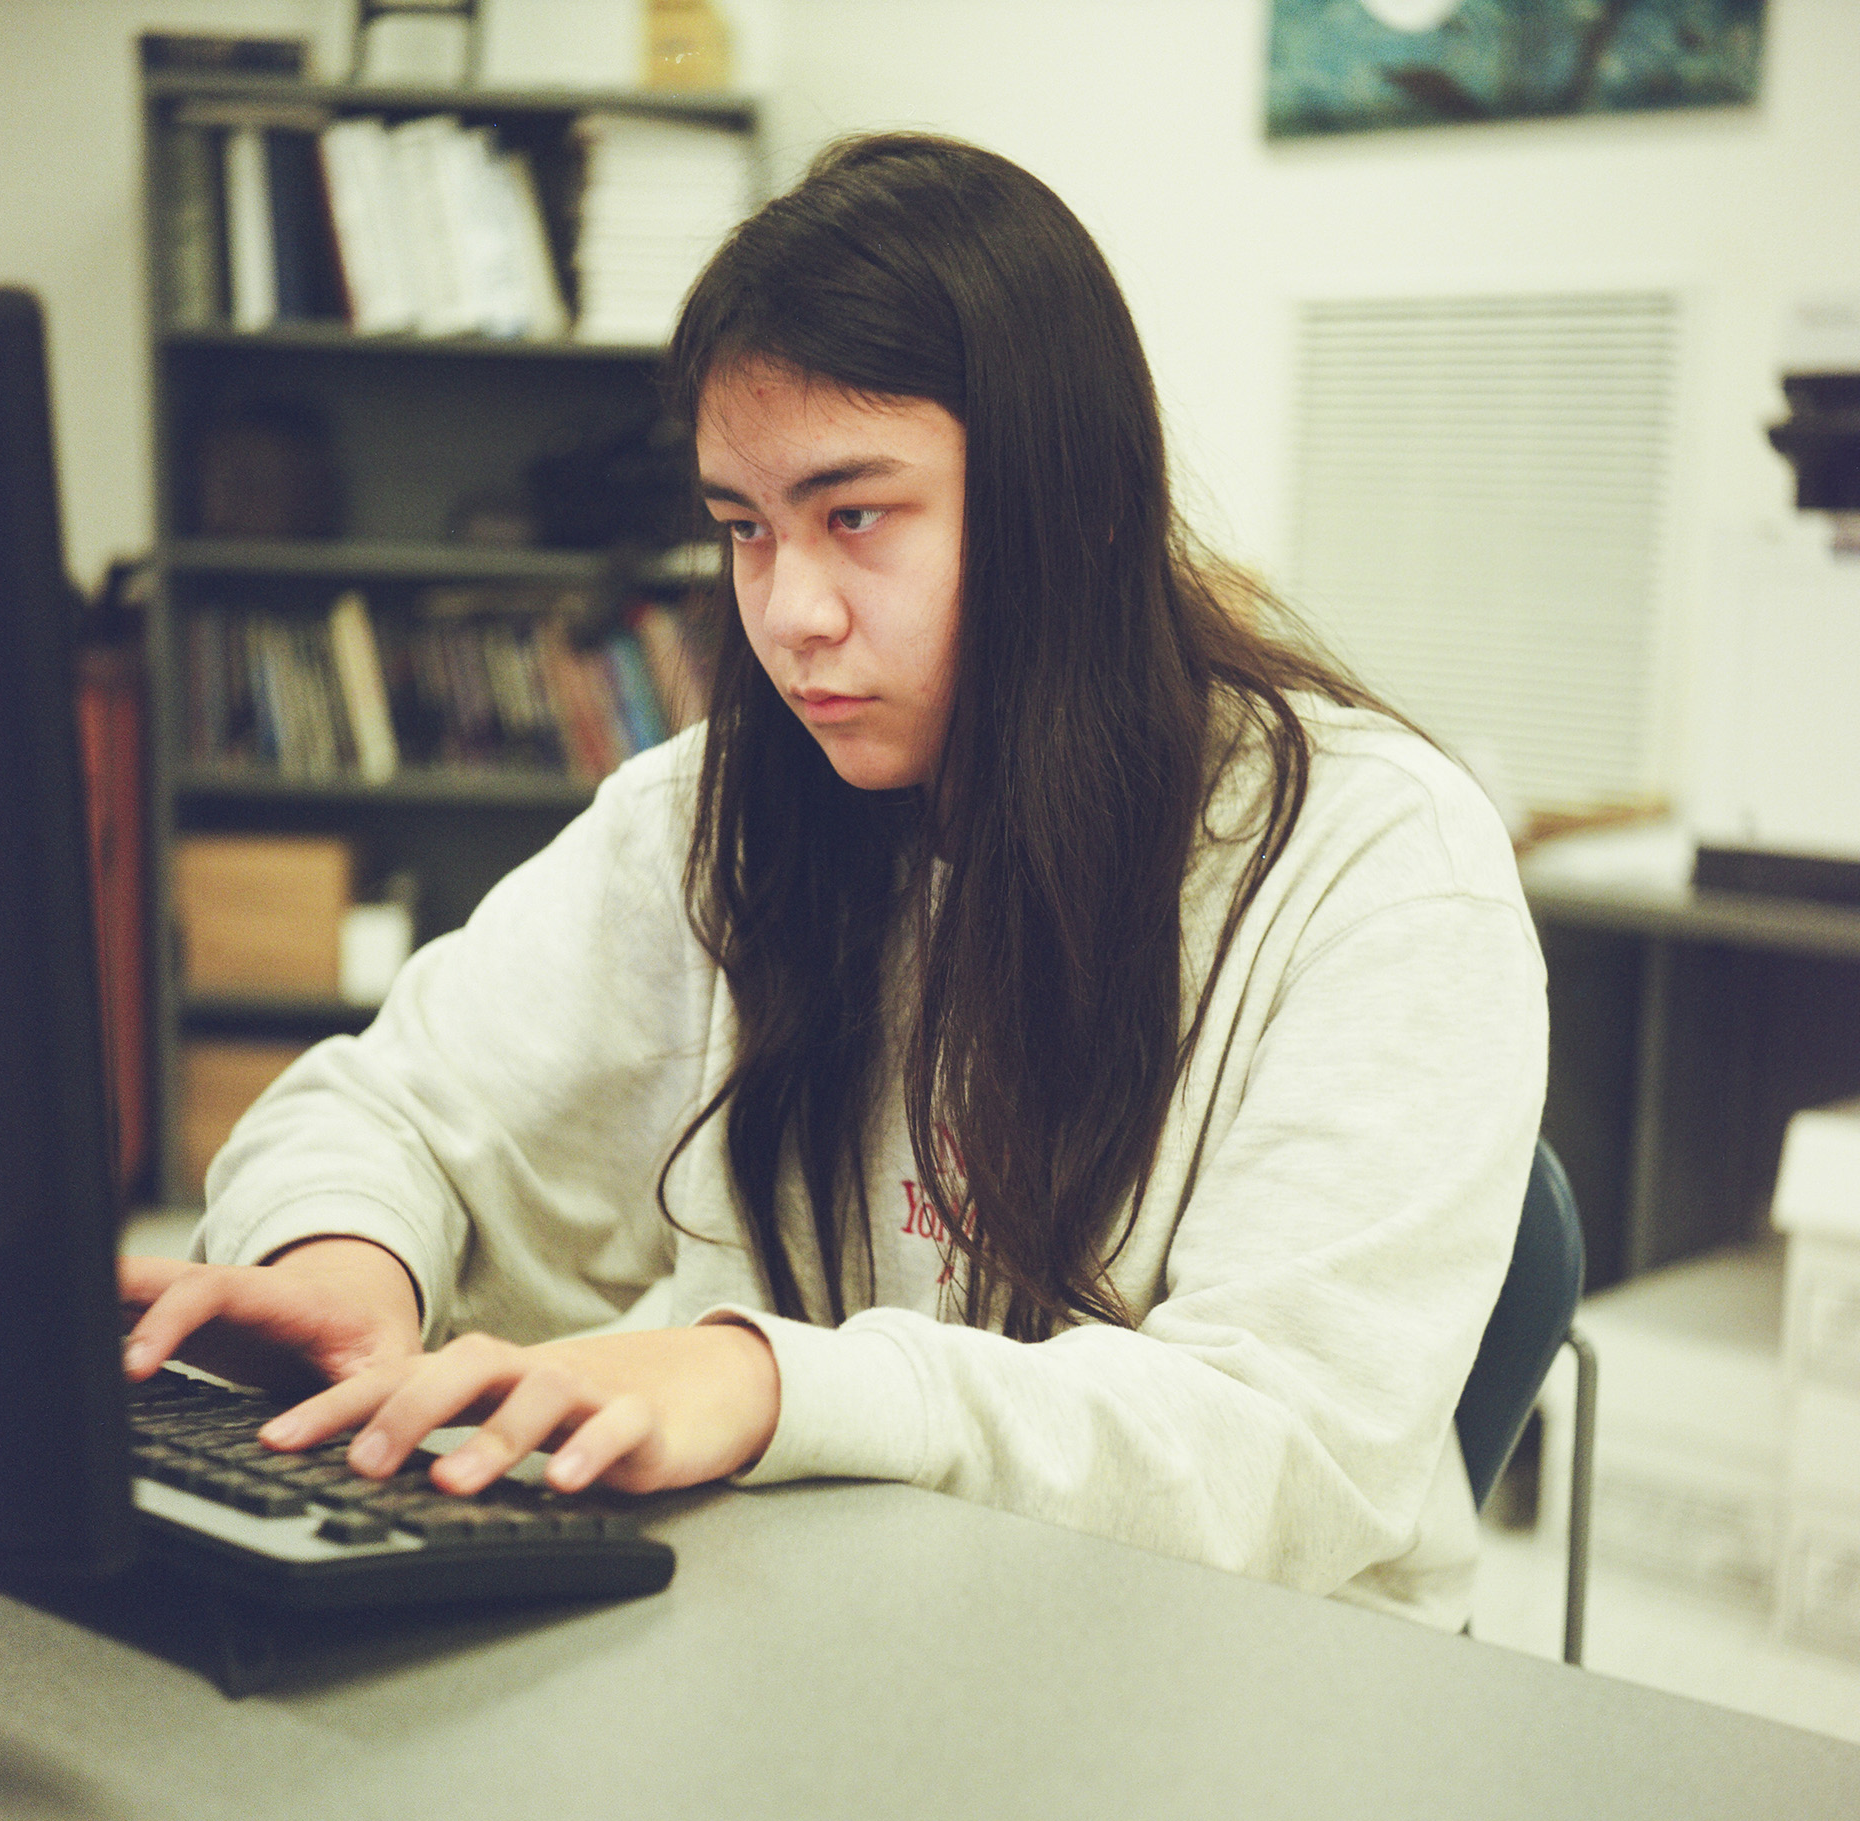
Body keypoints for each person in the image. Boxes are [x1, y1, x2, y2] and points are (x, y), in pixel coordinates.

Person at [121, 134, 1546, 1629]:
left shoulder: (1383, 868)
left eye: (854, 516)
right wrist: (350, 1263)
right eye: (745, 527)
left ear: (1082, 504)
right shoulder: (719, 812)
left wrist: (769, 1377)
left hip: (1239, 1704)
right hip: (825, 1659)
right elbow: (383, 1108)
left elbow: (1285, 1457)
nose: (789, 613)